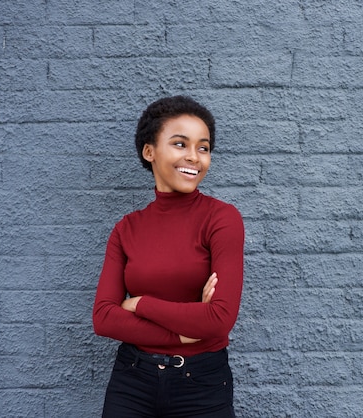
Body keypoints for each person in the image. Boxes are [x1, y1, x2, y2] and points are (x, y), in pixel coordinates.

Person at [92, 95, 244, 417]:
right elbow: (104, 318)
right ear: (150, 152)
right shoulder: (126, 229)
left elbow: (219, 319)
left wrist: (140, 304)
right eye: (180, 144)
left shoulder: (222, 219)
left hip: (202, 385)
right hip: (132, 381)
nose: (195, 157)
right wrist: (184, 333)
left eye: (203, 147)